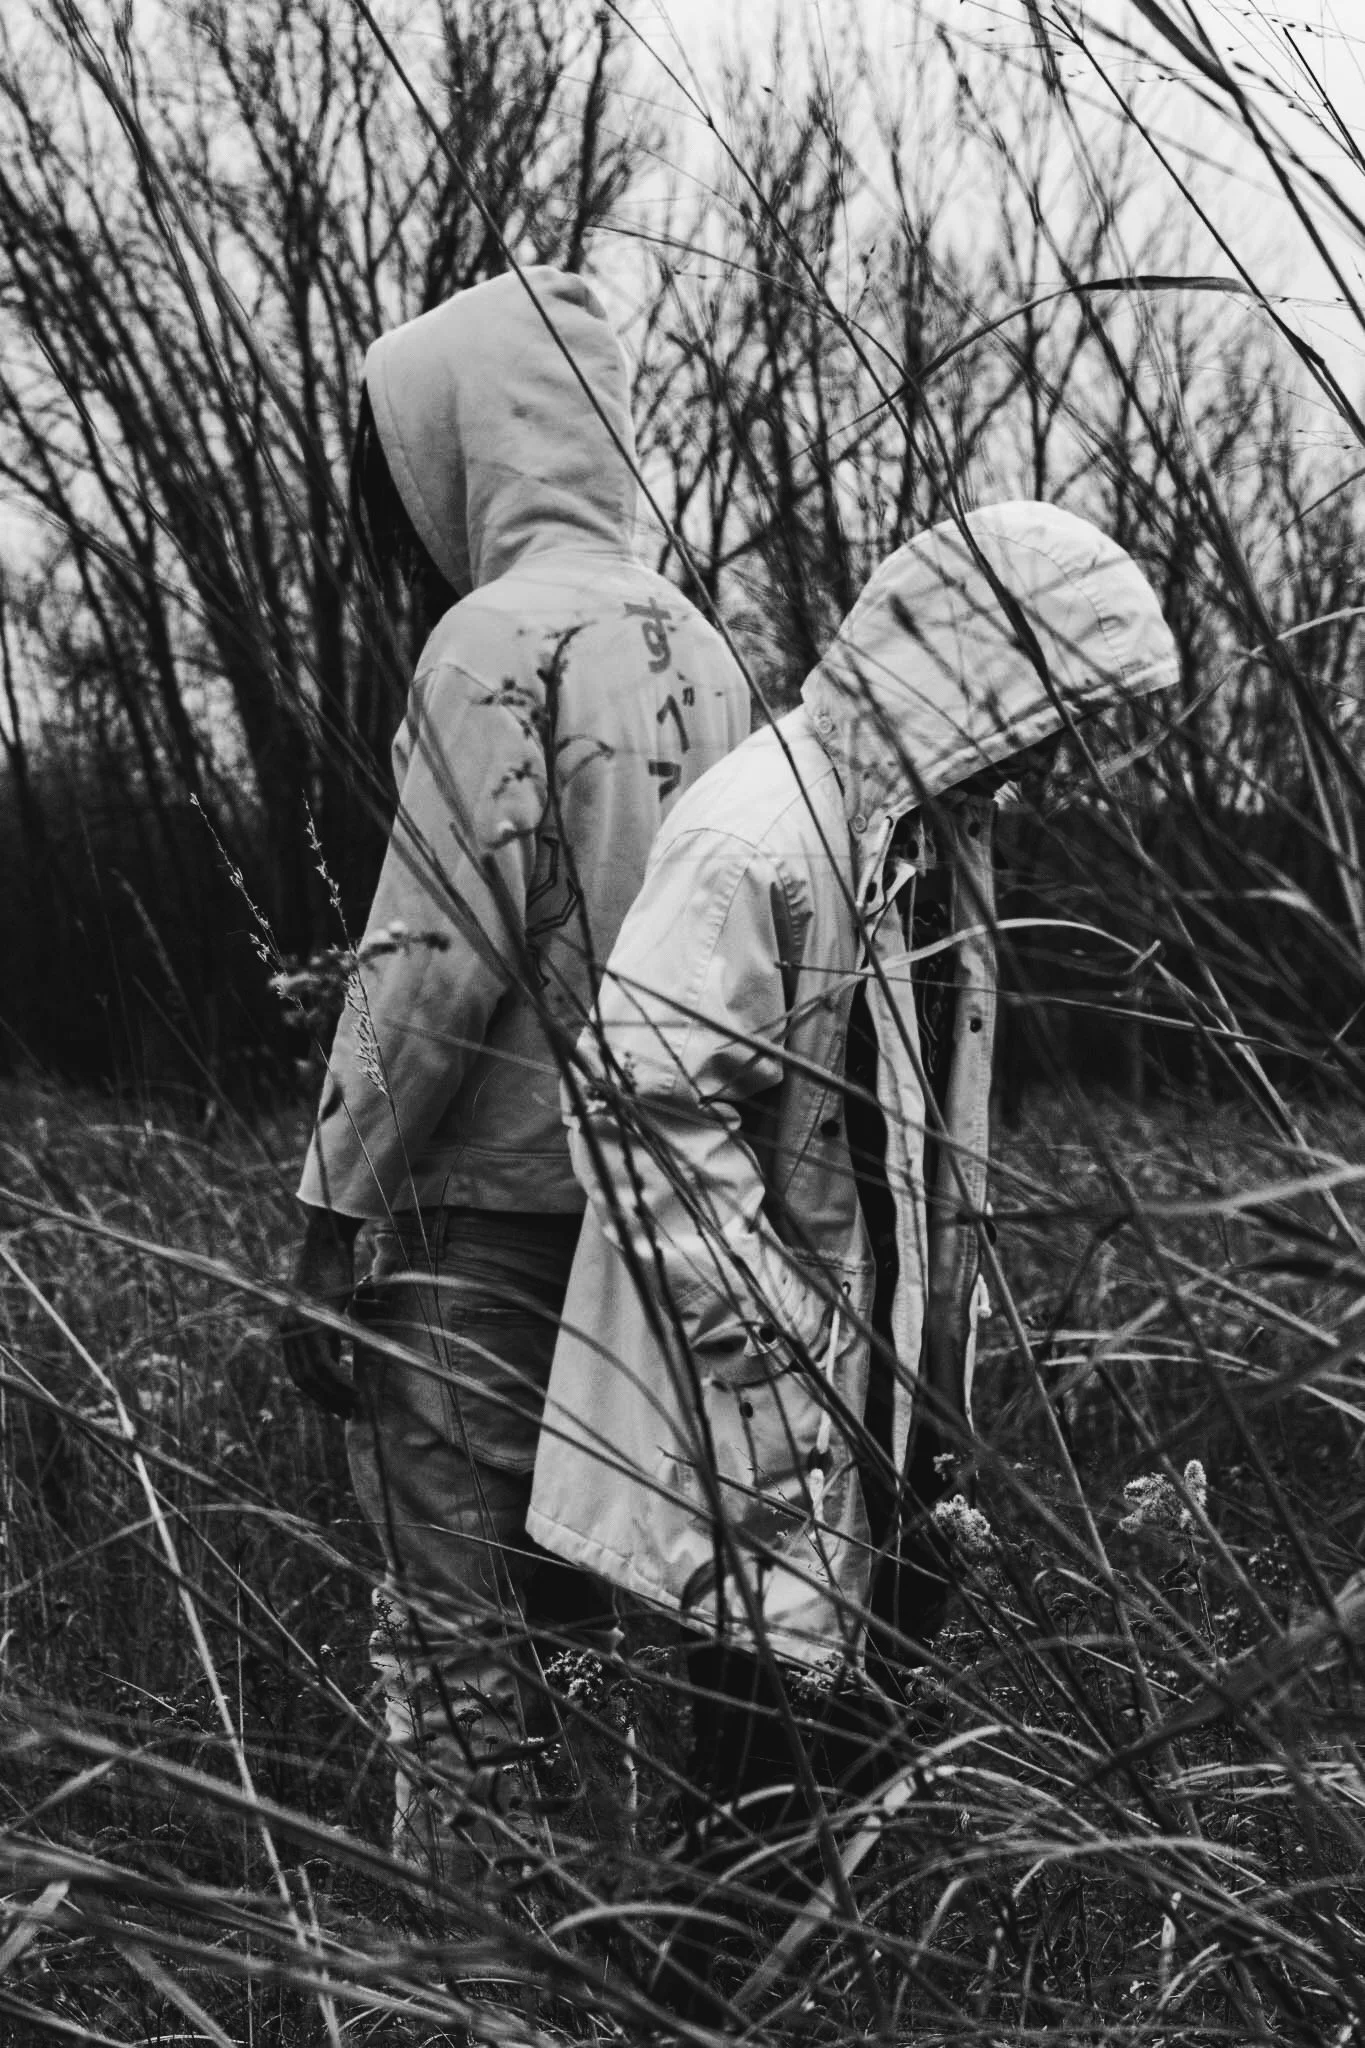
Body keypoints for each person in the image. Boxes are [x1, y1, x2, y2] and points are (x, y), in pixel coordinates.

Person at [526, 500, 1178, 2006]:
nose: (1060, 756)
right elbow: (638, 1107)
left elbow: (910, 1149)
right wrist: (792, 1342)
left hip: (872, 1409)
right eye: (1058, 714)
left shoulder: (928, 832)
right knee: (762, 1786)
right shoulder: (766, 833)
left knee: (846, 1772)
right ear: (978, 676)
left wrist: (925, 1384)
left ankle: (755, 2000)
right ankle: (683, 2016)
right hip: (760, 1409)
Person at [277, 265, 750, 1905]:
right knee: (603, 1629)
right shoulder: (702, 640)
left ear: (463, 439)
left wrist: (330, 1218)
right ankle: (620, 1952)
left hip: (485, 1230)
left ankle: (486, 1985)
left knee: (461, 1640)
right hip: (653, 1242)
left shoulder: (492, 637)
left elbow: (432, 959)